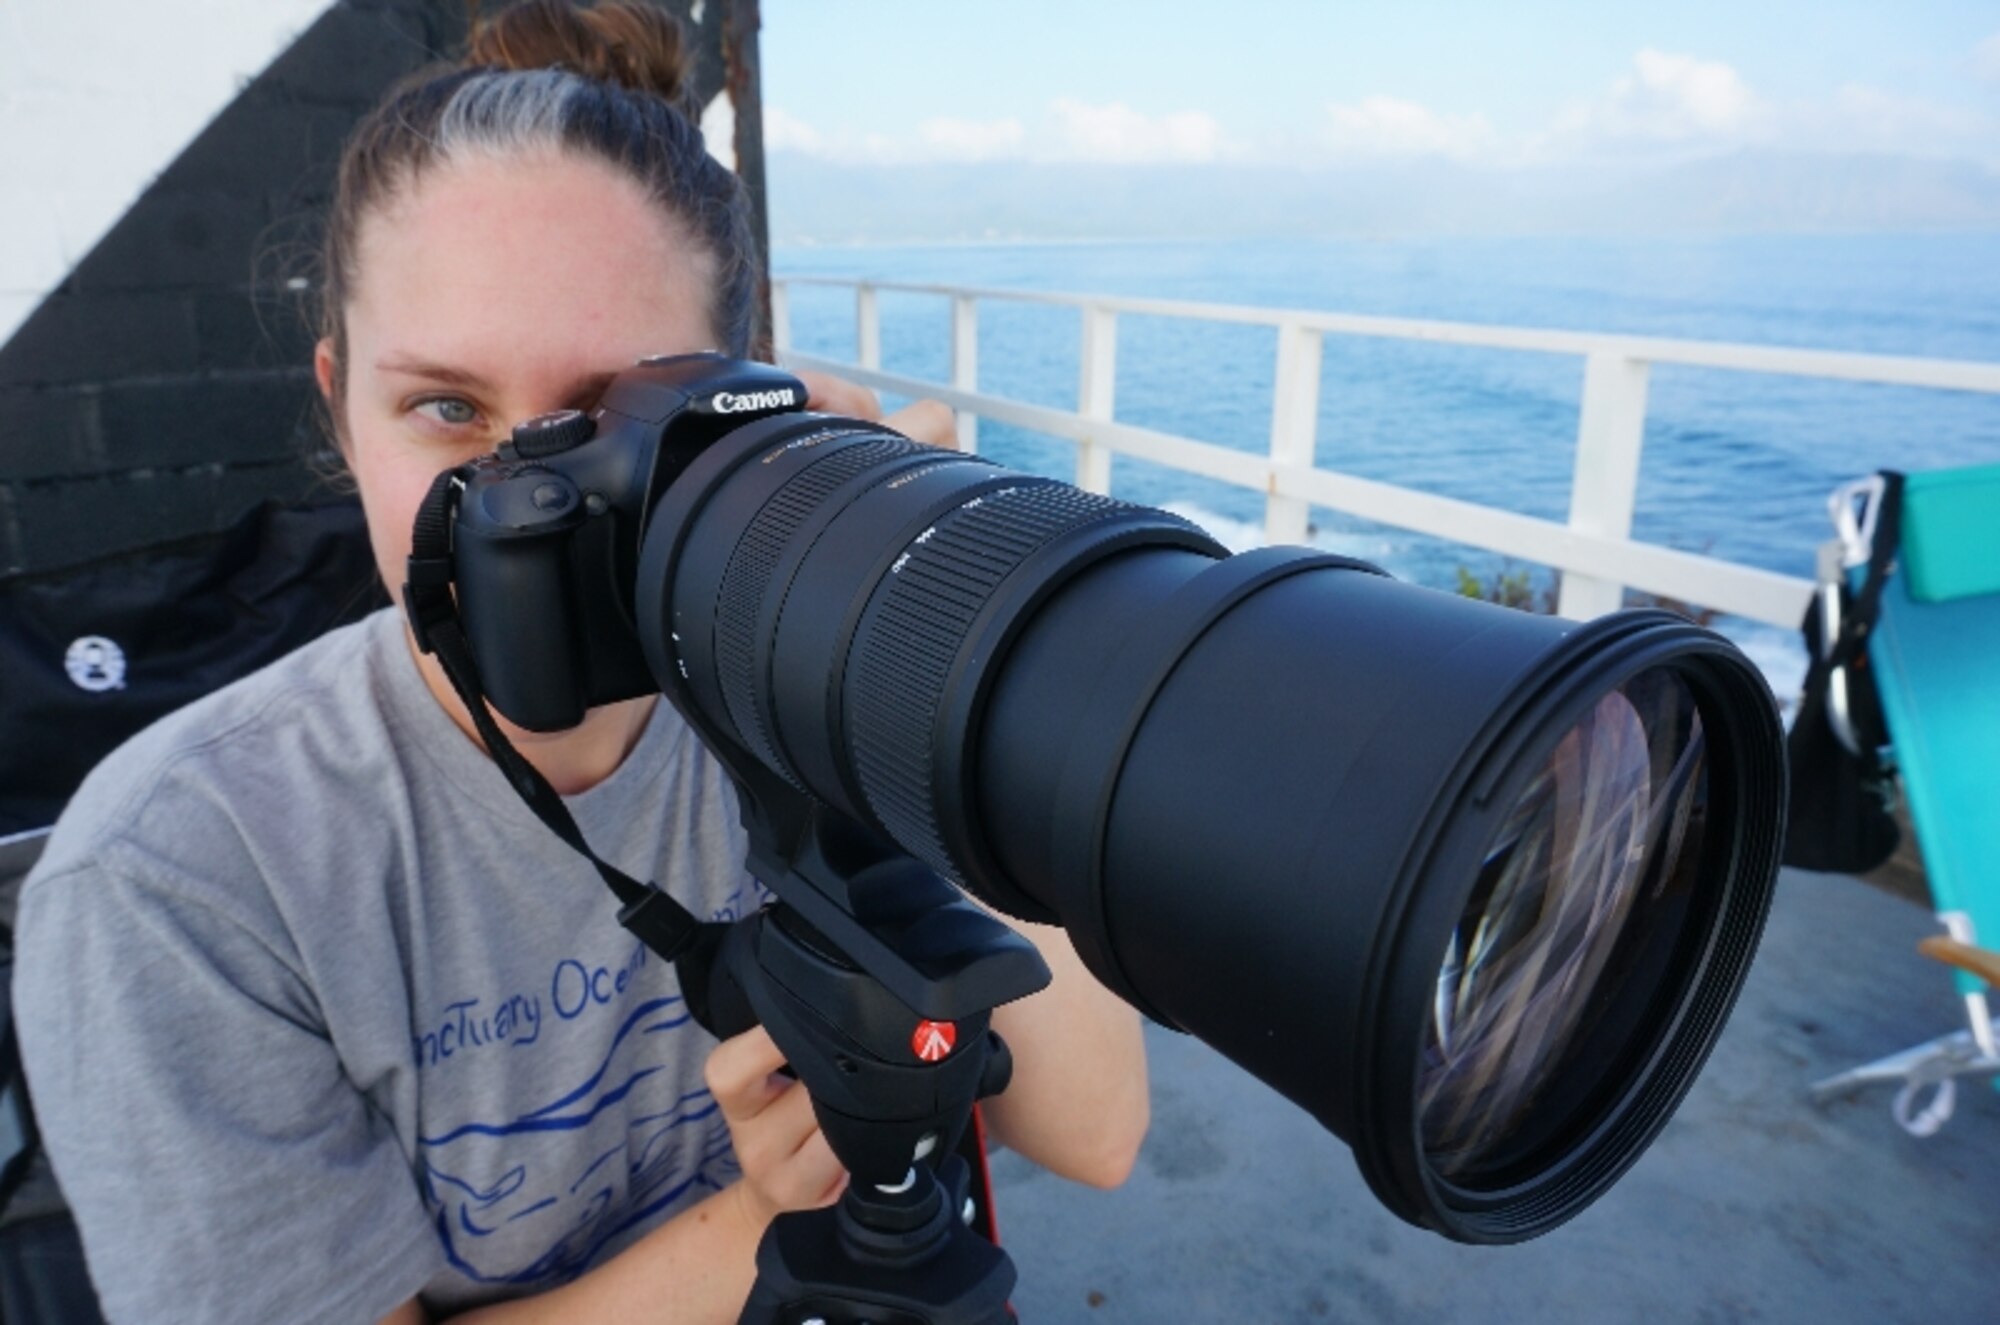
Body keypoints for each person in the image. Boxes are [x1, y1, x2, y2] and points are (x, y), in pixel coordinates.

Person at [11, 3, 1149, 1321]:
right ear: (339, 406)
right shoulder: (182, 874)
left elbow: (1097, 1125)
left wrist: (909, 618)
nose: (523, 509)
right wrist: (765, 1221)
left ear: (739, 408)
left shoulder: (796, 696)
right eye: (448, 408)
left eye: (606, 418)